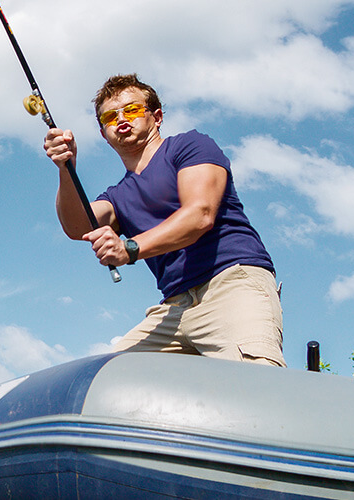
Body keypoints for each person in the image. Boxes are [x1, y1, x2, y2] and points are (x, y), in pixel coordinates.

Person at [42, 74, 284, 367]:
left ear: (156, 117)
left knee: (258, 384)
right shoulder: (118, 195)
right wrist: (66, 168)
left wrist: (129, 248)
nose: (121, 119)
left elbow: (200, 215)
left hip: (231, 284)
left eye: (132, 110)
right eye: (110, 116)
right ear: (104, 134)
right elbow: (77, 226)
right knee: (107, 379)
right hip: (173, 307)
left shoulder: (190, 146)